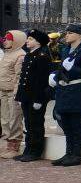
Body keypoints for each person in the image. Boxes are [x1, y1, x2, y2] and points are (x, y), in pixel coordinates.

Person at [50, 23, 81, 167]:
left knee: (77, 124)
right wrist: (55, 76)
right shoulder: (65, 50)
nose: (67, 34)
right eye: (67, 32)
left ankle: (77, 155)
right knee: (66, 124)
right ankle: (68, 153)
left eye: (70, 32)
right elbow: (62, 69)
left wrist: (74, 69)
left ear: (80, 35)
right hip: (64, 91)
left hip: (77, 91)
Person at [14, 30, 51, 162]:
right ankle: (28, 150)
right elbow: (23, 79)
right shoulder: (30, 55)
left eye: (30, 39)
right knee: (28, 124)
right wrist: (20, 97)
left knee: (36, 124)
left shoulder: (42, 56)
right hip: (26, 96)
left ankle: (35, 151)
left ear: (38, 42)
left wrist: (39, 99)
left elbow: (41, 81)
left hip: (36, 97)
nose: (27, 41)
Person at [0, 30, 27, 158]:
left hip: (13, 92)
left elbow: (18, 77)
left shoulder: (20, 55)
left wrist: (17, 94)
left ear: (16, 40)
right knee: (5, 119)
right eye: (4, 38)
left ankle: (14, 146)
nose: (5, 41)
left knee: (14, 119)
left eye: (8, 39)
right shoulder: (7, 53)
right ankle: (8, 145)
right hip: (4, 91)